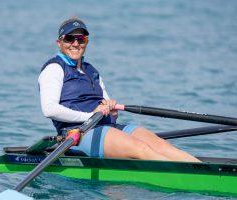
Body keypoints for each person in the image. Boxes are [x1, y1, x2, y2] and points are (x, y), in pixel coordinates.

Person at [38, 17, 200, 162]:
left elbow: (108, 110)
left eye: (81, 39)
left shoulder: (91, 70)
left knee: (163, 146)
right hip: (78, 133)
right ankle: (186, 179)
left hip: (105, 126)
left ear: (86, 42)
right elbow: (49, 110)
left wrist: (113, 111)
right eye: (69, 38)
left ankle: (202, 170)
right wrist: (90, 116)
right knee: (141, 149)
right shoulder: (54, 68)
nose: (75, 43)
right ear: (59, 43)